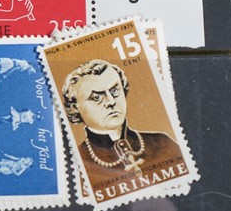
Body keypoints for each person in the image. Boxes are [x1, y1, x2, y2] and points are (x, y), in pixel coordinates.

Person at [61, 60, 183, 188]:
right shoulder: (75, 162)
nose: (111, 101)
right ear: (76, 108)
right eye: (97, 97)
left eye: (114, 91)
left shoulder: (163, 142)